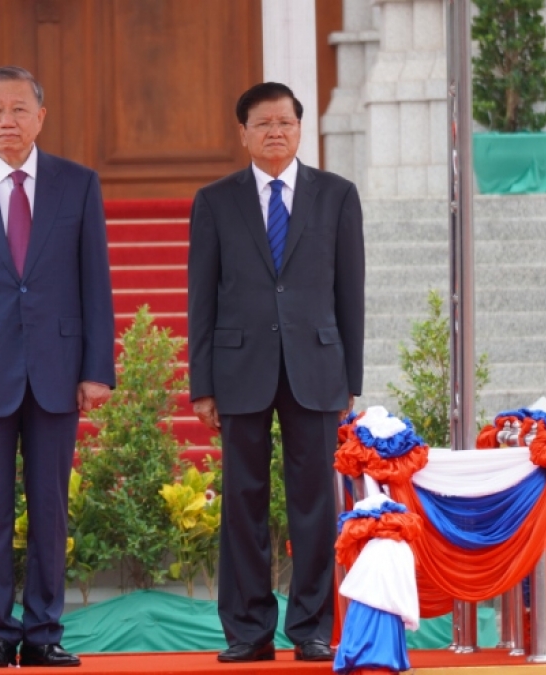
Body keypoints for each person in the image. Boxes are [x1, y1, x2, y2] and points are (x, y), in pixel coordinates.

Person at [0, 66, 115, 669]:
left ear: (41, 117)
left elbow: (95, 283)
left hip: (58, 370)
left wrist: (96, 369)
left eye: (19, 110)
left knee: (50, 509)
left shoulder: (77, 185)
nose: (8, 121)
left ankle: (45, 632)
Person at [187, 82, 365, 663]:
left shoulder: (337, 196)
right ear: (242, 133)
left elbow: (350, 294)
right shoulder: (216, 201)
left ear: (299, 128)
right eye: (262, 124)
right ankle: (247, 629)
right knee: (243, 500)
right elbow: (201, 300)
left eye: (285, 122)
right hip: (240, 369)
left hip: (315, 365)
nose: (274, 132)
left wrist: (350, 379)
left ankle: (312, 626)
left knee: (314, 500)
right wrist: (202, 384)